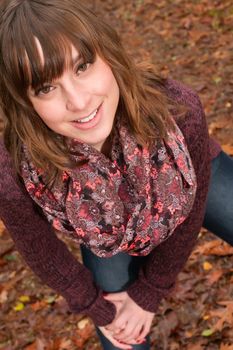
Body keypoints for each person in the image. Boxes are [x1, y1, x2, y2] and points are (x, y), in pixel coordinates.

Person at [0, 1, 232, 349]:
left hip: (187, 180)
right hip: (108, 232)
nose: (78, 102)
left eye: (82, 66)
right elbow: (38, 246)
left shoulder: (179, 111)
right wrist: (95, 305)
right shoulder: (15, 167)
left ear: (109, 55)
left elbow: (192, 210)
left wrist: (150, 290)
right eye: (45, 88)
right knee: (123, 339)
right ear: (23, 102)